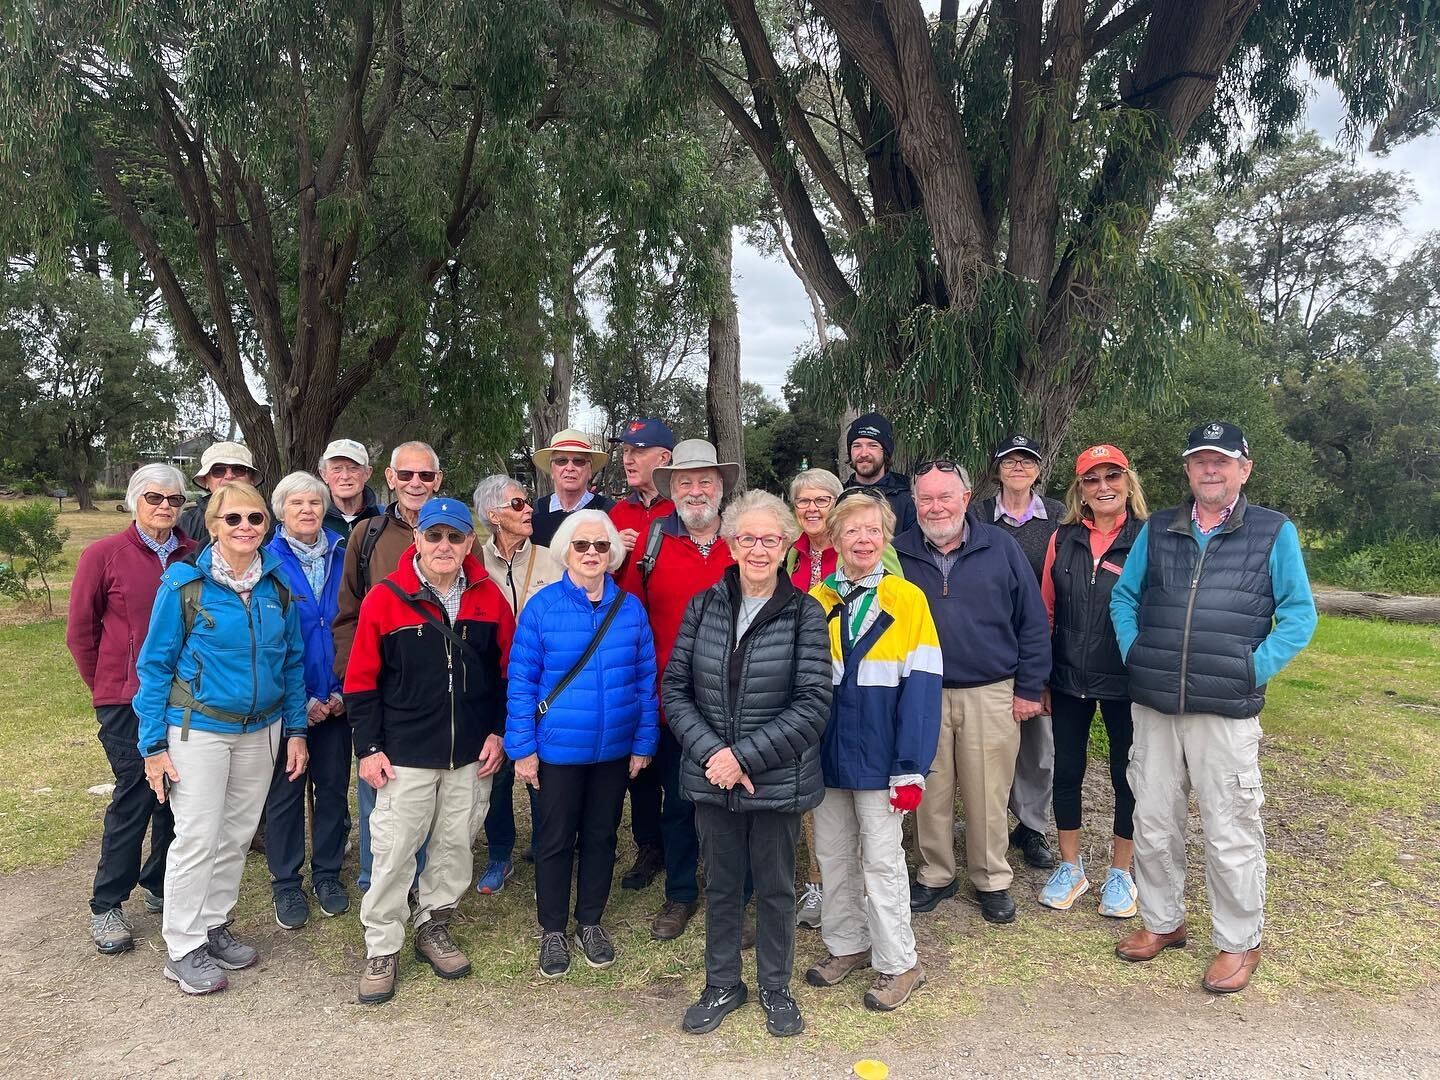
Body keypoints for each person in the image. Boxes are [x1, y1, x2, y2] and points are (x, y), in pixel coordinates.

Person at [1110, 422, 1316, 994]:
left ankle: (1238, 940)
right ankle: (1161, 922)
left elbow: (1300, 615)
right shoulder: (1158, 529)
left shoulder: (1273, 532)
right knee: (1152, 820)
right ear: (1188, 470)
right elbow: (1126, 597)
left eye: (1221, 461)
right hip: (1154, 704)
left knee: (1229, 828)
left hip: (1224, 708)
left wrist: (1253, 667)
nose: (1210, 470)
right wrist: (1136, 651)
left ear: (1243, 469)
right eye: (1200, 461)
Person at [665, 491, 831, 1037]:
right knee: (721, 884)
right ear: (732, 544)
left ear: (786, 545)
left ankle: (775, 987)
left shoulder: (806, 611)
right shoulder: (704, 605)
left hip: (776, 778)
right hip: (713, 775)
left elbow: (812, 705)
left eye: (770, 539)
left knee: (778, 886)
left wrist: (742, 758)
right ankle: (722, 984)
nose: (758, 549)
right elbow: (674, 690)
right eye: (747, 538)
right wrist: (715, 755)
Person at [135, 481, 309, 995]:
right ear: (213, 526)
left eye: (255, 519)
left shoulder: (278, 586)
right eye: (233, 519)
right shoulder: (184, 586)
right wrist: (153, 746)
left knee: (235, 834)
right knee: (196, 835)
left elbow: (293, 662)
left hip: (263, 729)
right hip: (199, 729)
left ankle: (214, 924)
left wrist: (296, 730)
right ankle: (183, 946)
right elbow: (154, 666)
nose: (245, 528)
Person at [345, 498, 514, 1005]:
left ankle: (433, 923)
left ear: (469, 544)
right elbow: (359, 681)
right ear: (417, 539)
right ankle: (382, 944)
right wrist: (369, 747)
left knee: (454, 846)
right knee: (395, 850)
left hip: (469, 754)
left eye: (455, 538)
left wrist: (499, 731)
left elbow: (508, 675)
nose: (444, 546)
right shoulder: (385, 598)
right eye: (434, 536)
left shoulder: (489, 598)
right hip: (404, 753)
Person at [804, 487, 941, 1012]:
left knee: (883, 860)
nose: (864, 539)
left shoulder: (908, 600)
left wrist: (911, 766)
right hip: (829, 753)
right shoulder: (816, 602)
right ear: (835, 539)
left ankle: (900, 961)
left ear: (885, 539)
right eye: (852, 530)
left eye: (873, 531)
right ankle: (848, 944)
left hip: (884, 757)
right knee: (833, 855)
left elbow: (924, 688)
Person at [895, 460, 1050, 925]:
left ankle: (991, 879)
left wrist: (1029, 688)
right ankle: (936, 874)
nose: (936, 506)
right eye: (926, 498)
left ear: (966, 498)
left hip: (992, 691)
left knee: (988, 791)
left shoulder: (999, 547)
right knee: (931, 788)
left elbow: (1032, 622)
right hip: (922, 694)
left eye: (945, 496)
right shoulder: (897, 553)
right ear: (915, 503)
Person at [505, 510, 659, 978]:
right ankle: (553, 929)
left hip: (613, 749)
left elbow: (645, 679)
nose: (592, 554)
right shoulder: (542, 608)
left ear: (611, 554)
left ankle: (589, 921)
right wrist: (522, 748)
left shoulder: (630, 608)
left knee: (601, 837)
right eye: (582, 546)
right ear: (566, 552)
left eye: (600, 546)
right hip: (556, 750)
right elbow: (522, 681)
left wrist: (644, 740)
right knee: (554, 840)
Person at [67, 464, 197, 955]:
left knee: (177, 791)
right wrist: (107, 686)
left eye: (174, 500)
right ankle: (107, 903)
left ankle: (160, 882)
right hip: (125, 699)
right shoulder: (104, 555)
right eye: (154, 498)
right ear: (133, 501)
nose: (165, 507)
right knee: (136, 793)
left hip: (183, 698)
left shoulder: (194, 555)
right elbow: (82, 632)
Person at [619, 438, 739, 941]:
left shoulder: (743, 540)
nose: (695, 491)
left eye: (705, 481)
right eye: (685, 482)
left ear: (720, 487)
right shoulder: (650, 543)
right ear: (672, 487)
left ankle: (736, 894)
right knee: (679, 801)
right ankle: (682, 893)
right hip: (672, 699)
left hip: (737, 698)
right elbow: (628, 619)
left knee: (735, 803)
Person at [783, 469, 903, 930]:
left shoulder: (866, 545)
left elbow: (892, 610)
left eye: (822, 500)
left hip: (868, 694)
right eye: (803, 501)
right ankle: (821, 889)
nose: (812, 509)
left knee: (870, 818)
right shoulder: (791, 556)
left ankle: (875, 907)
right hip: (812, 689)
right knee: (823, 805)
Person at [1036, 445, 1149, 917]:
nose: (1103, 487)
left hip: (1127, 679)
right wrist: (1040, 677)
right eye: (1092, 479)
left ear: (1128, 482)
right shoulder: (1062, 539)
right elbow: (1045, 610)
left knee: (1127, 775)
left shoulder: (1149, 537)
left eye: (1112, 476)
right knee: (1066, 771)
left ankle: (1121, 873)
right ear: (1079, 489)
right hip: (1067, 677)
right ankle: (1071, 866)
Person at [332, 440, 444, 893]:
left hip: (434, 685)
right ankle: (373, 876)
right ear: (391, 479)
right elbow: (348, 613)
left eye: (426, 476)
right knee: (377, 780)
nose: (416, 483)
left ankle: (421, 878)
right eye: (407, 475)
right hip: (379, 682)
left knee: (426, 789)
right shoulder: (368, 534)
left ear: (438, 480)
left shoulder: (451, 530)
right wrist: (351, 677)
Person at [262, 472, 351, 929]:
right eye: (296, 503)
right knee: (286, 793)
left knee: (334, 790)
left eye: (315, 503)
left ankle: (329, 874)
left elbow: (355, 621)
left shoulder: (343, 551)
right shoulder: (265, 560)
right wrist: (300, 702)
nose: (307, 511)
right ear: (281, 511)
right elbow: (264, 639)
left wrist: (339, 692)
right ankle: (286, 882)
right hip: (287, 702)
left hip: (337, 698)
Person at [975, 433, 1064, 871]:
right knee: (990, 746)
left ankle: (1031, 826)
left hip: (1037, 640)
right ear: (997, 468)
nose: (1018, 467)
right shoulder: (978, 515)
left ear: (1037, 468)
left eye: (1026, 460)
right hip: (988, 644)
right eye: (1009, 460)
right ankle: (986, 824)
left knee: (1037, 745)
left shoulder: (1058, 517)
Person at [472, 474, 563, 894]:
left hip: (547, 684)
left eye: (527, 503)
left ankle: (551, 846)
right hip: (492, 684)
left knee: (546, 770)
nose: (529, 510)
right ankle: (500, 854)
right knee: (498, 772)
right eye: (518, 504)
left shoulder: (553, 558)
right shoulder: (472, 560)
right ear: (493, 515)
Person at [608, 417, 675, 891]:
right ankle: (649, 844)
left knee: (677, 752)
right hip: (627, 651)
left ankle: (684, 842)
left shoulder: (683, 508)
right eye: (626, 449)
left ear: (664, 459)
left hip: (674, 646)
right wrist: (616, 553)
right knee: (640, 757)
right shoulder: (616, 514)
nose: (629, 458)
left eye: (640, 449)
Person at [529, 429, 615, 547]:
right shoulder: (533, 513)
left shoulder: (610, 512)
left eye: (578, 461)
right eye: (561, 461)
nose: (569, 468)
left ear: (590, 470)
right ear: (552, 471)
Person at [842, 412, 916, 535]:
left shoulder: (907, 495)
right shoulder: (840, 495)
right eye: (857, 446)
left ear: (885, 452)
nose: (864, 453)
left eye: (872, 446)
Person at [177, 442, 262, 546]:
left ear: (251, 478)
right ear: (206, 481)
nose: (229, 476)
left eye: (238, 469)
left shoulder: (273, 521)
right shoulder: (185, 523)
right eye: (218, 471)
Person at [319, 438, 381, 537]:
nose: (345, 476)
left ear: (367, 473)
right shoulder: (313, 520)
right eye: (336, 469)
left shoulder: (384, 518)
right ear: (324, 475)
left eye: (353, 468)